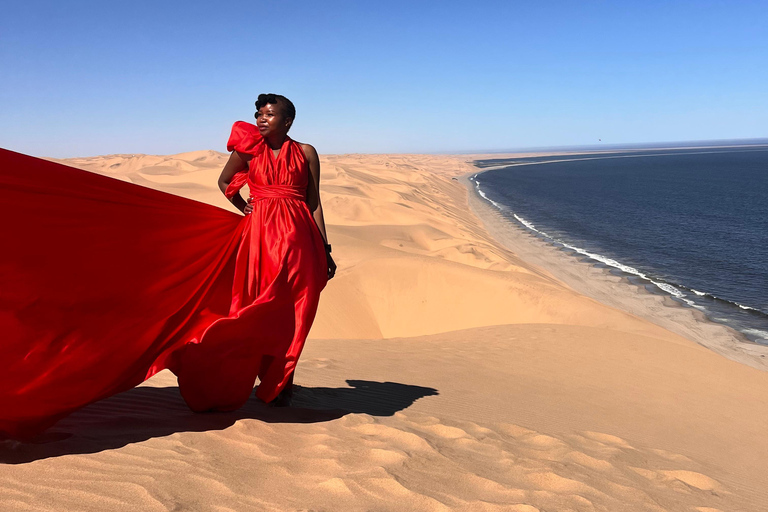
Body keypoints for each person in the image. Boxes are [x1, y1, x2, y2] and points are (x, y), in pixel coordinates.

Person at [0, 94, 333, 440]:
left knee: (297, 310)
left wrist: (324, 247)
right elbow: (224, 182)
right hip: (259, 240)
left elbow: (314, 202)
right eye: (259, 114)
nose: (261, 119)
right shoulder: (249, 148)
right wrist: (245, 207)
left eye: (270, 114)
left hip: (300, 241)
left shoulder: (306, 152)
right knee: (257, 308)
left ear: (288, 121)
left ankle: (283, 385)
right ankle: (244, 377)